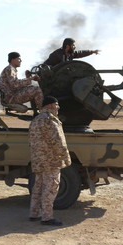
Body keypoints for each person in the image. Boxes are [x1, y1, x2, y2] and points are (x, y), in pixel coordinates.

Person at [28, 96, 71, 226]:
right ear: (49, 106)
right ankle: (47, 217)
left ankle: (34, 213)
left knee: (38, 187)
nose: (58, 107)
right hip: (51, 161)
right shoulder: (50, 120)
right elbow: (59, 142)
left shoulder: (35, 120)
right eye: (56, 105)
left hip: (38, 161)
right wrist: (66, 158)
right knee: (51, 188)